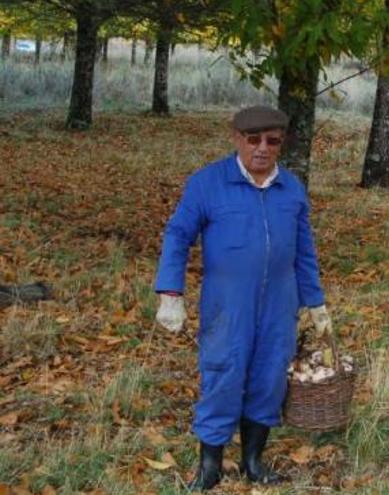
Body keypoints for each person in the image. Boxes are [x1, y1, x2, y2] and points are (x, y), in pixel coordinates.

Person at [154, 106, 333, 490]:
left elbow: (304, 251)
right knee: (224, 373)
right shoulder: (208, 184)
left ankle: (253, 460)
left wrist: (315, 303)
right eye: (254, 140)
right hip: (227, 304)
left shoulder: (291, 189)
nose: (263, 149)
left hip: (280, 305)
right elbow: (177, 234)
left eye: (273, 141)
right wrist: (171, 292)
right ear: (236, 138)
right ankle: (210, 466)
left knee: (270, 377)